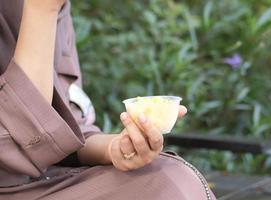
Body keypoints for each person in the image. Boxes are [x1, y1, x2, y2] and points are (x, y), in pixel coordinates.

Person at [0, 0, 216, 199]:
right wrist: (40, 12)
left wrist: (115, 148)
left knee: (169, 178)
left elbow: (62, 130)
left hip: (41, 183)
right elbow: (11, 145)